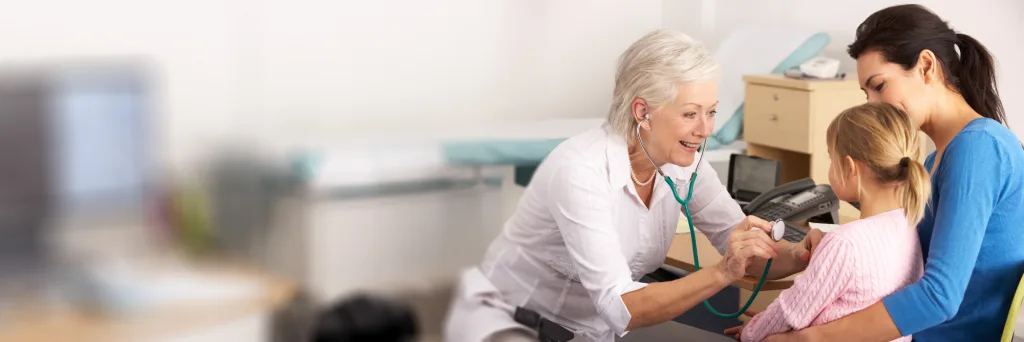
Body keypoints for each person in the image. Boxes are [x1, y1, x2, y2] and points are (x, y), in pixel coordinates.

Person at [443, 29, 810, 342]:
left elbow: (744, 250)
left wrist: (803, 253)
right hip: (516, 325)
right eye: (690, 114)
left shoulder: (684, 163)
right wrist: (720, 272)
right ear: (642, 113)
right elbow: (621, 307)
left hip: (597, 330)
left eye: (711, 111)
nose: (705, 129)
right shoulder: (581, 171)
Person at [766, 4, 1024, 341]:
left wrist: (810, 337)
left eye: (879, 86)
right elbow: (899, 255)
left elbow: (938, 297)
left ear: (927, 66)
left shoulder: (977, 148)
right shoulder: (935, 159)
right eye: (866, 93)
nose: (873, 105)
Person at [727, 103, 929, 342]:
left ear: (851, 168)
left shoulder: (845, 243)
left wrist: (752, 332)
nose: (830, 167)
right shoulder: (907, 225)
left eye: (831, 159)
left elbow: (790, 312)